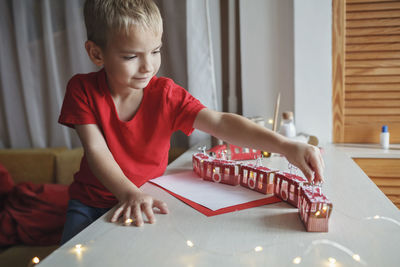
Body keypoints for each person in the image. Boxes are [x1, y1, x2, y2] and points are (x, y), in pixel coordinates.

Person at [58, 0, 325, 245]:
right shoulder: (82, 90)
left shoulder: (165, 94)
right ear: (96, 54)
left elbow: (220, 122)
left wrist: (287, 146)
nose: (148, 66)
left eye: (155, 51)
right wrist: (129, 193)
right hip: (89, 204)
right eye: (131, 56)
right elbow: (96, 151)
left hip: (147, 198)